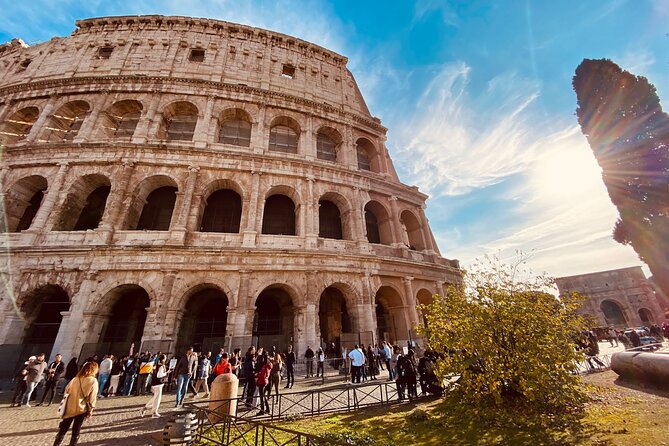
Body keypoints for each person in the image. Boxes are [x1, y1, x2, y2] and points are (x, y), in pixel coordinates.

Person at [53, 360, 99, 446]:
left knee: (63, 428)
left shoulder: (75, 379)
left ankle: (56, 444)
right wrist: (91, 409)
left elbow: (66, 390)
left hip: (69, 406)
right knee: (76, 430)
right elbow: (92, 397)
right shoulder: (93, 381)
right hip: (81, 408)